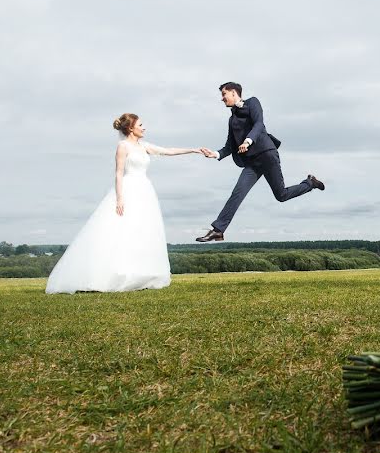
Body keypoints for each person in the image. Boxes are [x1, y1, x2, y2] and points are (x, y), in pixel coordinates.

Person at [46, 113, 215, 294]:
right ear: (130, 128)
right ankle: (116, 273)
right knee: (123, 228)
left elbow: (168, 150)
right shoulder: (123, 146)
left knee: (142, 230)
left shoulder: (144, 146)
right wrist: (120, 198)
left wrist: (194, 150)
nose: (144, 127)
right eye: (141, 124)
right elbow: (119, 173)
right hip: (129, 189)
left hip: (145, 191)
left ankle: (140, 273)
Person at [196, 82, 325, 242]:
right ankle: (218, 230)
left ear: (234, 93)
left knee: (281, 195)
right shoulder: (232, 120)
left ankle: (310, 183)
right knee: (237, 193)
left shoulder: (252, 103)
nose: (222, 99)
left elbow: (259, 123)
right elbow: (229, 145)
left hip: (266, 154)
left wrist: (248, 141)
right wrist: (215, 154)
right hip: (252, 163)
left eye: (224, 94)